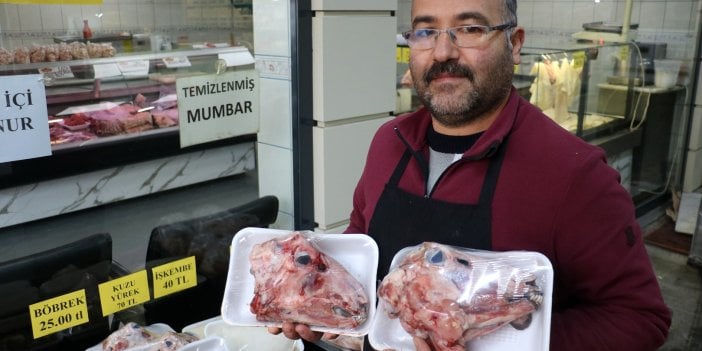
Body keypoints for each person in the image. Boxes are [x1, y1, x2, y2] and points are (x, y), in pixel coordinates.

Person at [271, 0, 672, 350]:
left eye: (470, 29)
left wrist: (502, 343)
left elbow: (639, 318)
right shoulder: (388, 142)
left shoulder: (573, 172)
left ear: (514, 44)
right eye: (426, 31)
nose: (443, 51)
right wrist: (318, 302)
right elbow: (361, 246)